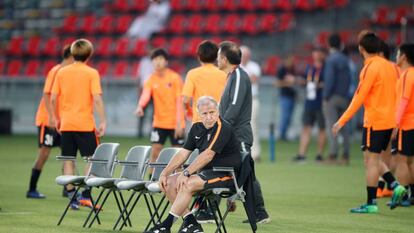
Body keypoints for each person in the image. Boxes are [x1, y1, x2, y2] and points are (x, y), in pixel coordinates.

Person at [332, 32, 406, 213]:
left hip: (375, 121)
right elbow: (398, 95)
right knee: (370, 159)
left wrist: (341, 121)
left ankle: (371, 203)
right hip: (390, 121)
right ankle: (395, 185)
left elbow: (359, 97)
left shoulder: (369, 68)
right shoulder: (392, 67)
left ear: (361, 49)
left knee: (372, 161)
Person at [145, 96, 242, 233]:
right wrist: (165, 173)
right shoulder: (196, 128)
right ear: (199, 114)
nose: (209, 117)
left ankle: (166, 226)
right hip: (205, 174)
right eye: (205, 113)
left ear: (218, 112)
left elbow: (208, 155)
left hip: (226, 174)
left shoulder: (223, 127)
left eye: (212, 112)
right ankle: (191, 222)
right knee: (168, 183)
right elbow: (183, 154)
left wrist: (186, 173)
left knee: (187, 183)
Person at [217, 41, 270, 223]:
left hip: (238, 135)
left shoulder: (238, 75)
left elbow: (234, 106)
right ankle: (257, 211)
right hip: (233, 134)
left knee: (246, 173)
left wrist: (221, 128)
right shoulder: (233, 76)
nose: (217, 59)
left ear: (224, 58)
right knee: (237, 171)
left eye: (219, 55)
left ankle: (259, 212)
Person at [51, 38, 106, 210]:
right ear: (89, 54)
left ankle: (71, 197)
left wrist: (55, 118)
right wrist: (103, 120)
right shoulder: (91, 73)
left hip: (67, 123)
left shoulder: (61, 72)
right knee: (91, 159)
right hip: (84, 124)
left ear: (73, 53)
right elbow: (96, 99)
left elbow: (53, 98)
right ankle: (86, 195)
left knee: (68, 159)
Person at [26, 45, 73, 199]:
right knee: (44, 153)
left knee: (67, 154)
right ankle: (31, 189)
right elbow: (46, 95)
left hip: (62, 122)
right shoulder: (56, 71)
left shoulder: (69, 73)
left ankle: (68, 188)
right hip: (48, 120)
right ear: (70, 56)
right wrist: (52, 117)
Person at [135, 48, 185, 174]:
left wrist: (180, 122)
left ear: (166, 62)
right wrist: (140, 106)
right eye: (155, 60)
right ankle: (152, 178)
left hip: (175, 123)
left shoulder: (175, 78)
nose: (157, 62)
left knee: (178, 154)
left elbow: (180, 101)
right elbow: (145, 94)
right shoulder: (151, 79)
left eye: (160, 60)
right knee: (155, 152)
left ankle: (178, 179)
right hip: (159, 123)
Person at [293, 47, 326, 163]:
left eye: (318, 52)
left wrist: (320, 85)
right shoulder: (310, 68)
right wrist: (301, 82)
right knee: (306, 127)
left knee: (322, 128)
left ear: (323, 54)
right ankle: (302, 154)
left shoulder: (326, 68)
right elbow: (305, 80)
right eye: (314, 52)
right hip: (309, 102)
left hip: (321, 102)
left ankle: (319, 154)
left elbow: (328, 82)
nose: (316, 54)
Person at [323, 33, 352, 164]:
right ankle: (345, 155)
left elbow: (329, 79)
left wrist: (326, 96)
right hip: (344, 96)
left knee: (332, 126)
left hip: (332, 97)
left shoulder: (331, 59)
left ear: (329, 44)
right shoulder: (346, 59)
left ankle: (333, 155)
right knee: (344, 127)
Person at [182, 40, 226, 124]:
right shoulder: (223, 74)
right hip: (219, 120)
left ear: (199, 56)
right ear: (217, 56)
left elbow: (185, 100)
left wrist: (188, 110)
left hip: (199, 120)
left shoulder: (192, 74)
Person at [392, 43, 414, 206]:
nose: (396, 56)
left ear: (404, 56)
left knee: (402, 161)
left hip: (406, 123)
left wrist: (396, 123)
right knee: (411, 161)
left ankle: (404, 195)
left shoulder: (407, 75)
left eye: (398, 53)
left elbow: (404, 100)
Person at [240, 45, 262, 161]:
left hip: (252, 99)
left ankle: (255, 153)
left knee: (253, 126)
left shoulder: (254, 66)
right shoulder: (237, 66)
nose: (244, 57)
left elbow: (254, 79)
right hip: (240, 101)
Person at [275, 55, 297, 141]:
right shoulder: (282, 69)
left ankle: (285, 133)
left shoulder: (292, 69)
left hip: (292, 96)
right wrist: (288, 83)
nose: (292, 62)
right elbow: (277, 83)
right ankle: (282, 134)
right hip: (285, 96)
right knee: (285, 116)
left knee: (289, 117)